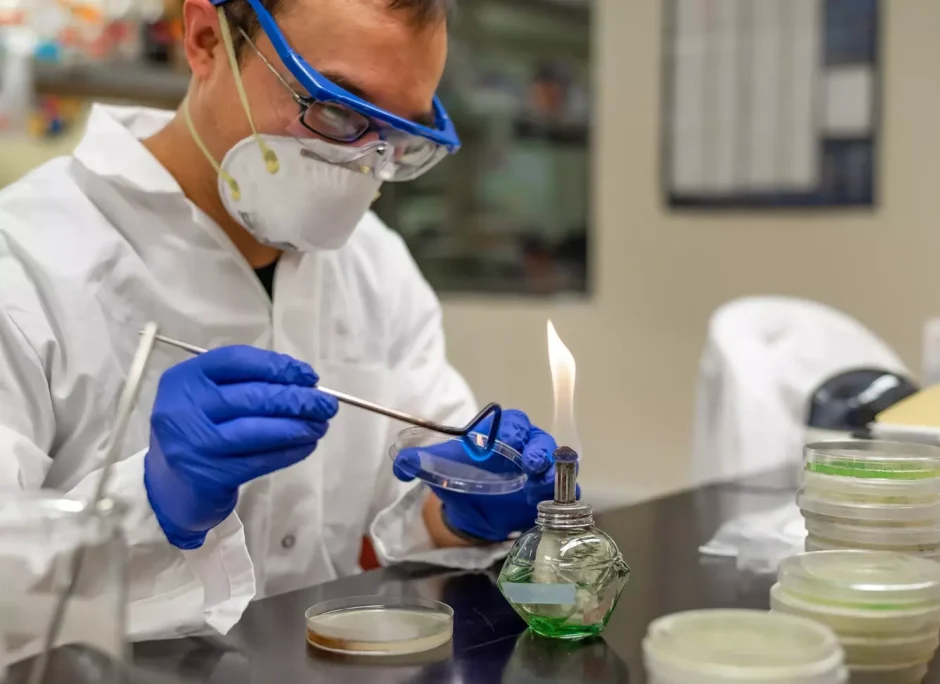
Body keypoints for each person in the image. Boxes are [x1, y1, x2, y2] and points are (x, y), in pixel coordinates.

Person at [0, 0, 562, 639]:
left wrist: (467, 507)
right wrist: (153, 501)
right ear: (208, 40)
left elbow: (409, 498)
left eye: (400, 135)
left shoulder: (376, 264)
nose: (367, 164)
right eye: (335, 111)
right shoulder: (22, 260)